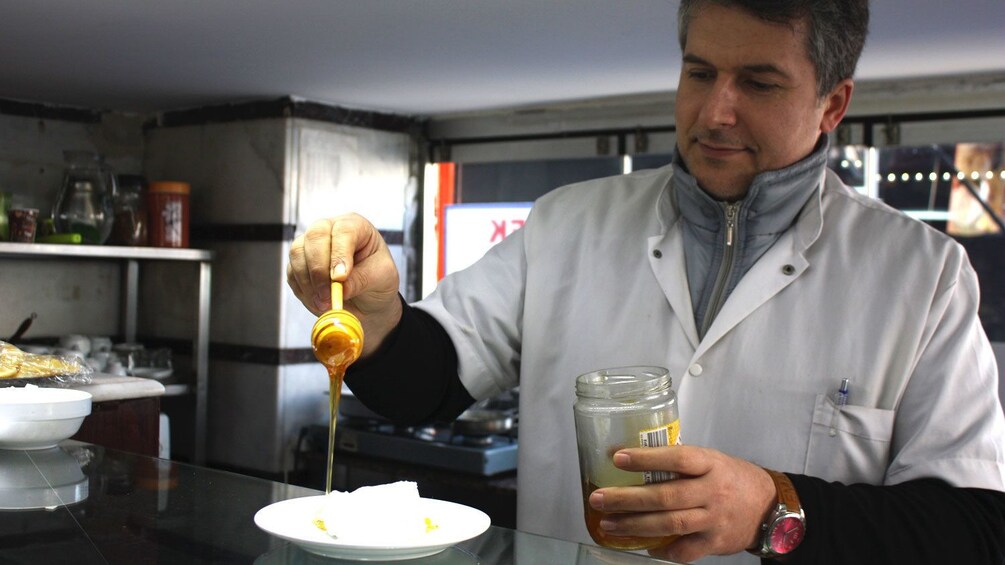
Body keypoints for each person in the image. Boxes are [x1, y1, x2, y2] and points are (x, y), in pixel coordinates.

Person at [288, 1, 1005, 563]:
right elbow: (424, 383)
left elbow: (973, 530)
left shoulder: (920, 275)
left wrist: (772, 507)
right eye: (699, 72)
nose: (714, 111)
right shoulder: (568, 223)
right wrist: (377, 315)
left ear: (832, 103)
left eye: (757, 82)